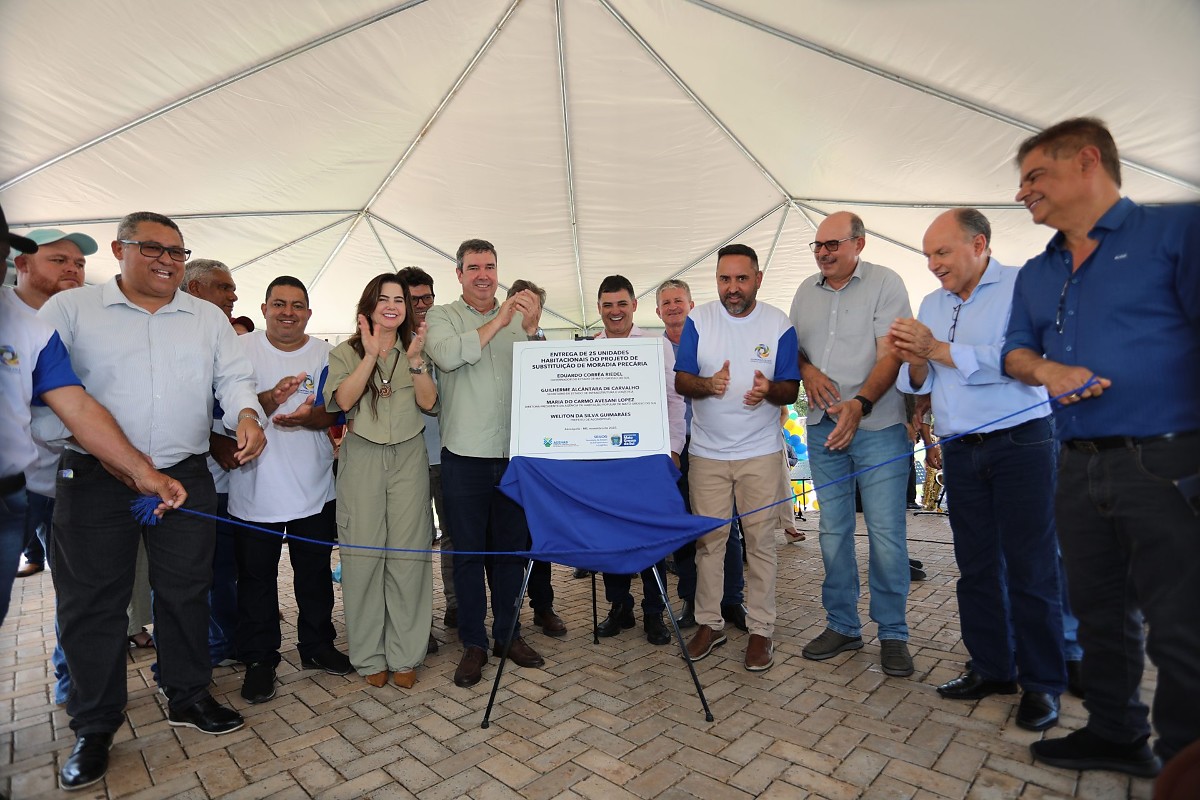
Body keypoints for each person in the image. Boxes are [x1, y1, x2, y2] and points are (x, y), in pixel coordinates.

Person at [33, 211, 263, 790]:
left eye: (178, 252)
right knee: (93, 603)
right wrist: (125, 466)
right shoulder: (70, 310)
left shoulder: (207, 318)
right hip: (93, 479)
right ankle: (95, 723)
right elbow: (53, 402)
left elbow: (232, 378)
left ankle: (187, 694)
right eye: (153, 248)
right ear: (119, 250)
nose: (167, 260)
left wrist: (245, 414)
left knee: (187, 591)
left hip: (186, 474)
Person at [1003, 118, 1200, 777]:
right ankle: (1118, 735)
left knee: (1183, 631)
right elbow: (1013, 352)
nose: (1024, 192)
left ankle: (1181, 770)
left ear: (1088, 161)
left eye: (1035, 176)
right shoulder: (1036, 270)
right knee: (1099, 616)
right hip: (1077, 463)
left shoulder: (1175, 232)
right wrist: (1047, 372)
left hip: (1170, 463)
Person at [890, 208, 1066, 732]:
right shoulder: (930, 302)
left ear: (979, 245)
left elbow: (1025, 360)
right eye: (927, 255)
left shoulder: (1024, 287)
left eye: (941, 253)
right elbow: (918, 382)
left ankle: (1042, 685)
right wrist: (917, 362)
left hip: (1024, 445)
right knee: (977, 567)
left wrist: (938, 350)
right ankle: (992, 667)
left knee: (1032, 570)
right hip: (961, 448)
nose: (932, 265)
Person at [790, 211, 915, 677]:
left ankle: (894, 633)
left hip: (878, 428)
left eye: (832, 245)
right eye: (818, 246)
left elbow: (893, 354)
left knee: (886, 536)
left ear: (858, 245)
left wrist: (860, 403)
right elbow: (795, 351)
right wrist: (809, 372)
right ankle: (842, 624)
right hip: (823, 428)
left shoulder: (887, 283)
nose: (823, 253)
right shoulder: (805, 291)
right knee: (833, 533)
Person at [424, 239, 546, 688]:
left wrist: (532, 333)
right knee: (469, 555)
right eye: (473, 267)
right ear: (458, 274)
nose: (482, 275)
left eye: (490, 266)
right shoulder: (441, 317)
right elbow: (447, 356)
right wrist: (501, 320)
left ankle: (508, 634)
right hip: (464, 458)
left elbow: (542, 379)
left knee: (512, 554)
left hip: (515, 456)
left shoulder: (521, 320)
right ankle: (474, 643)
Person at [675, 244, 800, 672]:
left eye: (741, 279)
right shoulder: (699, 320)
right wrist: (708, 385)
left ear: (758, 280)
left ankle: (761, 629)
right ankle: (710, 623)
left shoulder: (778, 323)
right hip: (707, 455)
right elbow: (682, 379)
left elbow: (791, 388)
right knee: (710, 543)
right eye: (725, 279)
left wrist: (770, 391)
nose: (732, 288)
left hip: (760, 454)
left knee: (761, 544)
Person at [228, 276, 351, 703]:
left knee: (314, 576)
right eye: (279, 304)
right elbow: (223, 415)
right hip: (253, 490)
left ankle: (317, 646)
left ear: (309, 313)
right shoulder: (239, 351)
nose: (288, 312)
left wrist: (309, 418)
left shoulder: (326, 353)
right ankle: (260, 659)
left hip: (314, 489)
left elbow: (333, 413)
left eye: (297, 305)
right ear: (263, 309)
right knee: (256, 582)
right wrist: (267, 400)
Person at [324, 273, 437, 689]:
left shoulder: (415, 350)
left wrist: (415, 361)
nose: (392, 306)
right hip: (363, 457)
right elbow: (343, 401)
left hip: (409, 455)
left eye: (400, 300)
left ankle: (407, 653)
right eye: (384, 298)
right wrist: (370, 356)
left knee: (409, 557)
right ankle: (370, 656)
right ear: (369, 305)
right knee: (362, 557)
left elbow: (429, 402)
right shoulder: (344, 353)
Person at [592, 275, 684, 645]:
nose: (615, 312)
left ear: (634, 306)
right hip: (606, 464)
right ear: (599, 309)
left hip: (649, 459)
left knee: (648, 537)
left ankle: (653, 611)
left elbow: (675, 401)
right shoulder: (589, 349)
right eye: (607, 305)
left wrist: (675, 448)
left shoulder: (657, 345)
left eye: (622, 304)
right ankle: (619, 607)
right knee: (609, 538)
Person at [655, 279, 747, 630]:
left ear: (691, 305)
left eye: (679, 301)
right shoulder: (651, 349)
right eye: (666, 303)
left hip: (716, 446)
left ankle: (732, 600)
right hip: (675, 451)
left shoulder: (713, 342)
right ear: (657, 311)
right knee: (685, 530)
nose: (673, 307)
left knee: (726, 526)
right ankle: (692, 601)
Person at [181, 258, 245, 668]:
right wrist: (211, 440)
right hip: (185, 483)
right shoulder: (173, 338)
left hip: (224, 487)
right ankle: (194, 657)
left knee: (223, 573)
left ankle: (225, 645)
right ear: (197, 290)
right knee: (188, 577)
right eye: (224, 288)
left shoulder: (220, 339)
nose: (233, 296)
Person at [396, 266, 454, 645]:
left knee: (451, 537)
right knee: (411, 540)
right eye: (413, 299)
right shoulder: (388, 343)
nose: (421, 305)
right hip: (407, 457)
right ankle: (417, 623)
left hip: (447, 453)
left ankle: (457, 607)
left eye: (427, 297)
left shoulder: (444, 334)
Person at [503, 279, 565, 637]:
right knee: (503, 540)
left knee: (536, 534)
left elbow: (551, 381)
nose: (528, 311)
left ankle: (543, 607)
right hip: (495, 452)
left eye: (535, 306)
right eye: (522, 304)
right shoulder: (491, 332)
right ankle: (505, 611)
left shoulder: (538, 341)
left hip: (535, 454)